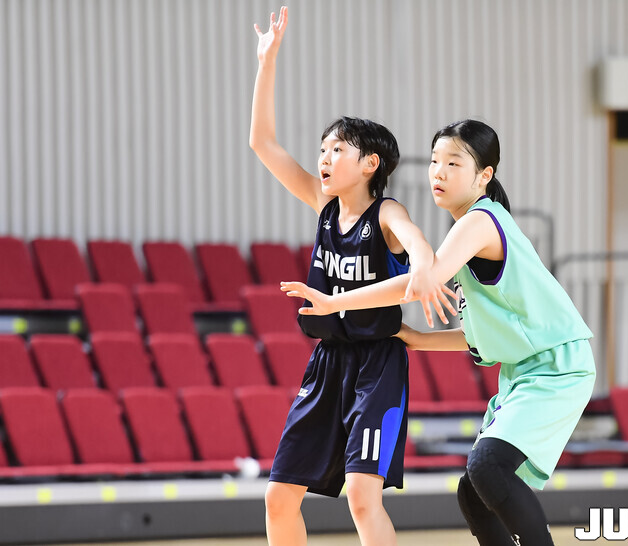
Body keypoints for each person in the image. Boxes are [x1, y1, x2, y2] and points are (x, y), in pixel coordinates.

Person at [281, 119, 597, 545]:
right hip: (524, 370)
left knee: (487, 468)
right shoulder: (469, 232)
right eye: (434, 161)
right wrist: (418, 339)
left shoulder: (479, 222)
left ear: (484, 176)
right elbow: (478, 336)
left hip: (557, 367)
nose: (439, 172)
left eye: (453, 163)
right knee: (475, 493)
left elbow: (422, 280)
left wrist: (336, 302)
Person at [249, 8, 453, 546]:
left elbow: (416, 241)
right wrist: (267, 63)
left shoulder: (385, 213)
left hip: (377, 364)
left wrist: (425, 263)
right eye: (321, 149)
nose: (323, 157)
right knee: (278, 497)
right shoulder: (323, 205)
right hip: (326, 364)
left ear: (370, 164)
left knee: (363, 498)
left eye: (337, 149)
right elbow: (263, 144)